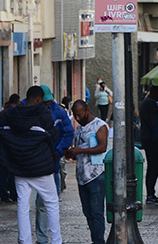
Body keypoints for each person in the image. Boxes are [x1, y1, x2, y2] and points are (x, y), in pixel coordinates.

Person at [0, 85, 61, 244]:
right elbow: (54, 137)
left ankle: (25, 241)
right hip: (41, 168)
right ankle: (56, 241)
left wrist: (1, 149)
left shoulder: (10, 115)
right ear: (39, 99)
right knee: (51, 204)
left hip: (19, 168)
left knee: (23, 207)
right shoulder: (43, 115)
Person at [34, 85, 73, 244]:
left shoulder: (59, 112)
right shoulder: (27, 111)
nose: (48, 105)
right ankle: (36, 239)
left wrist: (58, 151)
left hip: (52, 164)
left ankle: (48, 239)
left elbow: (68, 133)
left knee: (49, 205)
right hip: (32, 164)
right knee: (30, 207)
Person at [66, 100, 108, 244]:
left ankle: (98, 241)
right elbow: (78, 150)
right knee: (88, 212)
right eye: (75, 116)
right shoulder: (79, 129)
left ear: (87, 111)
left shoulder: (99, 126)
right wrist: (71, 153)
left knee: (97, 212)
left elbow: (103, 147)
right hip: (82, 176)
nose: (77, 119)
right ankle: (95, 239)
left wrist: (80, 151)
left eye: (80, 115)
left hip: (96, 175)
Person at [140, 86, 158, 203]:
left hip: (148, 137)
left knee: (153, 166)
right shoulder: (150, 104)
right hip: (151, 138)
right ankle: (150, 194)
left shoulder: (147, 102)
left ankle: (151, 193)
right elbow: (153, 121)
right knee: (154, 166)